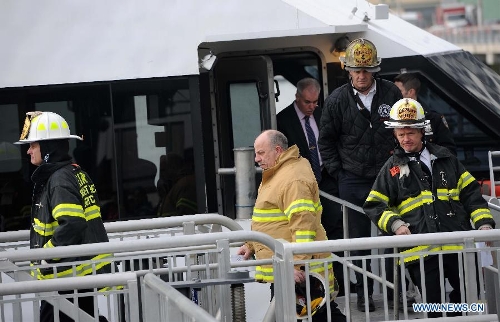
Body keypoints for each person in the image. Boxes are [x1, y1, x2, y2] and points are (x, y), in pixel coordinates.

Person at [363, 98, 495, 318]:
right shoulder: (392, 168)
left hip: (457, 245)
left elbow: (471, 192)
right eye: (400, 134)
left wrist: (484, 223)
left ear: (422, 131)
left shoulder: (446, 158)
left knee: (469, 300)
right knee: (432, 307)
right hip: (421, 252)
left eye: (410, 133)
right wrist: (395, 224)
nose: (405, 139)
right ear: (395, 134)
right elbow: (374, 204)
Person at [318, 38, 402, 312]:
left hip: (388, 175)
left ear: (375, 70)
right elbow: (326, 142)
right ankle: (363, 294)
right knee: (357, 243)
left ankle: (394, 292)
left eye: (366, 70)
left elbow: (405, 130)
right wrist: (339, 173)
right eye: (357, 70)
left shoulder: (392, 94)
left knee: (394, 235)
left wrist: (400, 165)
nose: (362, 75)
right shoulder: (336, 101)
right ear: (348, 70)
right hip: (352, 179)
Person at [237, 130, 346, 321]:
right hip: (286, 268)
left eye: (261, 153)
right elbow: (270, 221)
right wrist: (251, 245)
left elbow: (303, 226)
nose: (256, 159)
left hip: (295, 271)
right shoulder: (277, 173)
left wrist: (294, 265)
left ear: (277, 150)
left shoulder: (292, 178)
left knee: (320, 316)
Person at [15, 111, 112, 322]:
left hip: (66, 278)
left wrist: (44, 255)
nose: (29, 150)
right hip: (74, 276)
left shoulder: (59, 179)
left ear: (48, 148)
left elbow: (72, 224)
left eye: (33, 145)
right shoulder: (72, 172)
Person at [276, 77, 346, 295]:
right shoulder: (282, 120)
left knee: (335, 229)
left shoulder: (321, 114)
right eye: (308, 102)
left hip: (326, 181)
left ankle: (341, 281)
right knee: (309, 232)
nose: (312, 106)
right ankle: (313, 285)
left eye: (315, 102)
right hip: (302, 186)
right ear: (297, 97)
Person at [394, 72, 456, 155]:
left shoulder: (434, 119)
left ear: (410, 92)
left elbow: (449, 151)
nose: (394, 94)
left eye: (398, 91)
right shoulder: (390, 119)